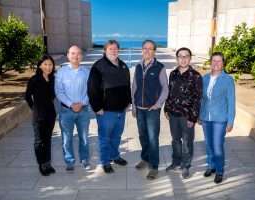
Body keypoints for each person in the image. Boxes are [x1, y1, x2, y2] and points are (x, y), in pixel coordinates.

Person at [87, 40, 131, 174]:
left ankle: (115, 156)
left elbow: (127, 85)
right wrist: (97, 107)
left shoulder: (123, 66)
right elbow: (92, 89)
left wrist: (128, 100)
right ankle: (105, 162)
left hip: (121, 110)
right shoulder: (98, 66)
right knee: (105, 137)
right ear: (105, 51)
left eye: (115, 49)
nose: (113, 51)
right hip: (105, 111)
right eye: (110, 49)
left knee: (117, 135)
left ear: (119, 50)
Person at [132, 39, 169, 180]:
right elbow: (134, 87)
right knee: (143, 136)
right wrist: (134, 105)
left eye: (150, 49)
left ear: (154, 51)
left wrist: (158, 105)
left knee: (153, 139)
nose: (147, 51)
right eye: (145, 48)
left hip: (152, 109)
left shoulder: (160, 67)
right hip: (139, 109)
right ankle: (145, 159)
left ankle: (153, 166)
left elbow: (165, 89)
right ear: (142, 50)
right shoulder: (138, 67)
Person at [164, 47, 203, 179]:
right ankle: (176, 162)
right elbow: (169, 93)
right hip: (173, 114)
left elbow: (198, 98)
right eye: (181, 56)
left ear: (190, 58)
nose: (183, 59)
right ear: (177, 58)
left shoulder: (196, 76)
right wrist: (166, 108)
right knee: (175, 140)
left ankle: (185, 166)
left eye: (186, 56)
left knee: (187, 141)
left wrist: (193, 117)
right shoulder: (173, 74)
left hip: (187, 116)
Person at [198, 52, 235, 184]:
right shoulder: (205, 78)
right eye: (214, 61)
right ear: (210, 62)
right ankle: (211, 166)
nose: (216, 63)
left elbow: (231, 101)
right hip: (205, 117)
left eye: (219, 61)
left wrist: (230, 121)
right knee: (208, 144)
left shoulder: (228, 80)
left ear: (223, 63)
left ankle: (219, 171)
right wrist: (198, 115)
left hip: (220, 118)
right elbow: (201, 99)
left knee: (217, 145)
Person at [55, 45, 91, 173]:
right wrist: (71, 104)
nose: (76, 56)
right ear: (68, 55)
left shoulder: (87, 72)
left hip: (83, 111)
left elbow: (90, 91)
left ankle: (84, 160)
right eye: (73, 53)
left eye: (78, 53)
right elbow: (59, 92)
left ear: (81, 55)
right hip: (66, 112)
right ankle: (69, 161)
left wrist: (81, 104)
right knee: (66, 138)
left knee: (84, 138)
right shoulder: (61, 72)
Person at [25, 55, 56, 176]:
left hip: (50, 114)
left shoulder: (53, 79)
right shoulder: (34, 79)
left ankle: (47, 163)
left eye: (50, 64)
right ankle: (41, 164)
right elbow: (27, 97)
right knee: (39, 141)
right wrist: (34, 108)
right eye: (45, 64)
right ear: (40, 66)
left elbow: (53, 95)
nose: (48, 67)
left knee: (47, 140)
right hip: (38, 115)